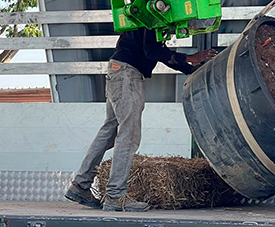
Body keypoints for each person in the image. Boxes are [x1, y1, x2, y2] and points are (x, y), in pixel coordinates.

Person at [64, 28, 217, 212]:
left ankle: (80, 185)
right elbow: (151, 50)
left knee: (110, 131)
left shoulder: (144, 16)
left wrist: (189, 68)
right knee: (129, 135)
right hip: (128, 75)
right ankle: (115, 195)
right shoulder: (154, 15)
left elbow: (154, 50)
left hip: (118, 69)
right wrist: (189, 58)